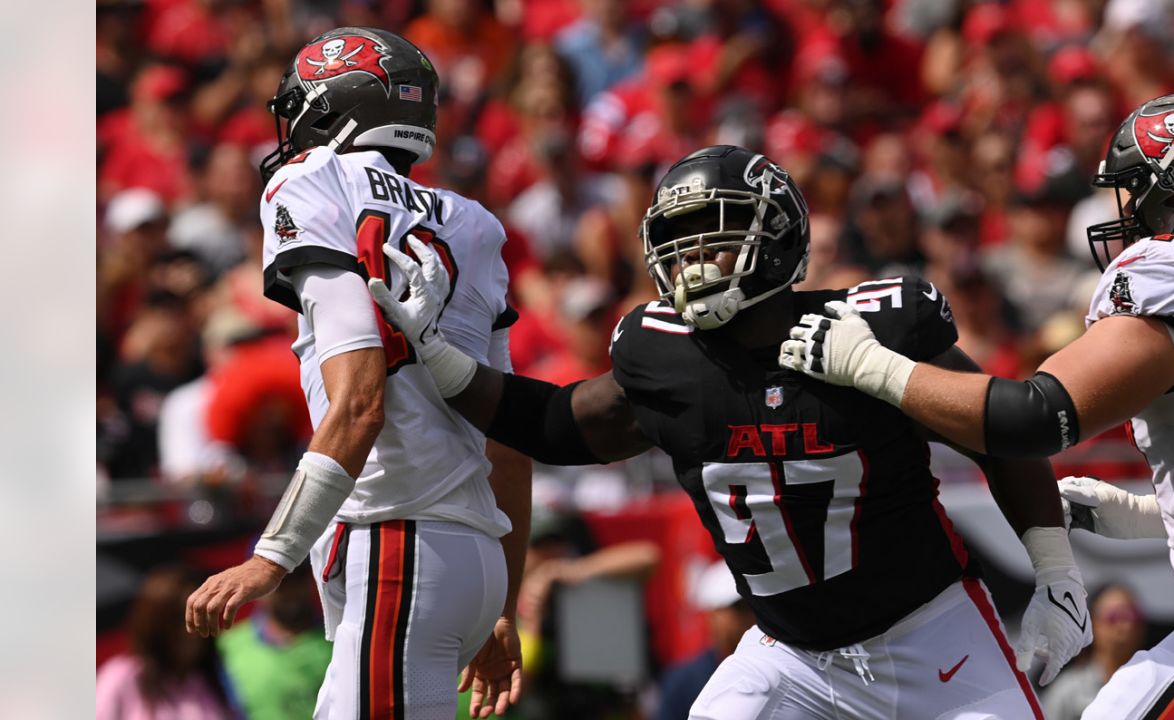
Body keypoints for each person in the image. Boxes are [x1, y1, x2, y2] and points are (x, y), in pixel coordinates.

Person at [370, 145, 1092, 718]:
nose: (687, 262)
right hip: (792, 655)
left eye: (708, 240)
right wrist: (438, 354)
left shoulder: (870, 326)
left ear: (776, 238)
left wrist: (1056, 572)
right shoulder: (666, 357)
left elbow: (1001, 431)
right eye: (675, 243)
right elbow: (559, 425)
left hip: (933, 636)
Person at [779, 93, 1174, 720]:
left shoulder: (1173, 286)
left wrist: (874, 367)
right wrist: (1155, 515)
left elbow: (1029, 418)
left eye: (1133, 191)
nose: (1123, 213)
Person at [182, 27, 531, 720]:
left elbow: (361, 401)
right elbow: (509, 440)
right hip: (470, 554)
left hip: (397, 538)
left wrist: (270, 558)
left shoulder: (313, 180)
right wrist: (499, 601)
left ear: (335, 106)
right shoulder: (476, 222)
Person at [97, 567, 231, 719]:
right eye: (179, 618)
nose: (190, 630)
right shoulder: (121, 677)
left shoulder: (212, 681)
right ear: (154, 622)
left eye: (200, 617)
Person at [217, 563, 333, 720]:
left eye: (298, 577)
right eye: (279, 581)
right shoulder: (227, 647)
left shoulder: (339, 639)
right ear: (255, 587)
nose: (291, 590)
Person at [656, 560, 757, 720]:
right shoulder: (683, 681)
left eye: (754, 607)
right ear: (713, 614)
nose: (750, 616)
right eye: (739, 607)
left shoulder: (778, 667)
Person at [1040, 584, 1148, 720]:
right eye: (1114, 616)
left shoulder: (1152, 685)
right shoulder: (1068, 692)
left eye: (1132, 616)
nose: (1125, 625)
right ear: (1093, 625)